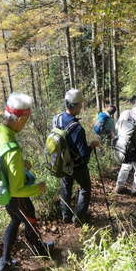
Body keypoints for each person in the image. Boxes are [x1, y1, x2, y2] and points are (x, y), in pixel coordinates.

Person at [0, 92, 53, 271]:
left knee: (15, 220)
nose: (25, 124)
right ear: (19, 119)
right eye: (26, 120)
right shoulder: (12, 149)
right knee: (29, 216)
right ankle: (39, 251)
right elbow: (17, 189)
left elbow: (3, 161)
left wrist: (20, 165)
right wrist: (37, 188)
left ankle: (4, 262)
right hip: (13, 194)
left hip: (2, 188)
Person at [54, 89, 100, 224]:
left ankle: (65, 216)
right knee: (85, 188)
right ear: (75, 106)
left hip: (62, 161)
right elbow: (84, 155)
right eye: (80, 104)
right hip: (77, 166)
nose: (81, 107)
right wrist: (91, 145)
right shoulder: (77, 129)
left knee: (66, 187)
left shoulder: (57, 118)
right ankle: (78, 218)